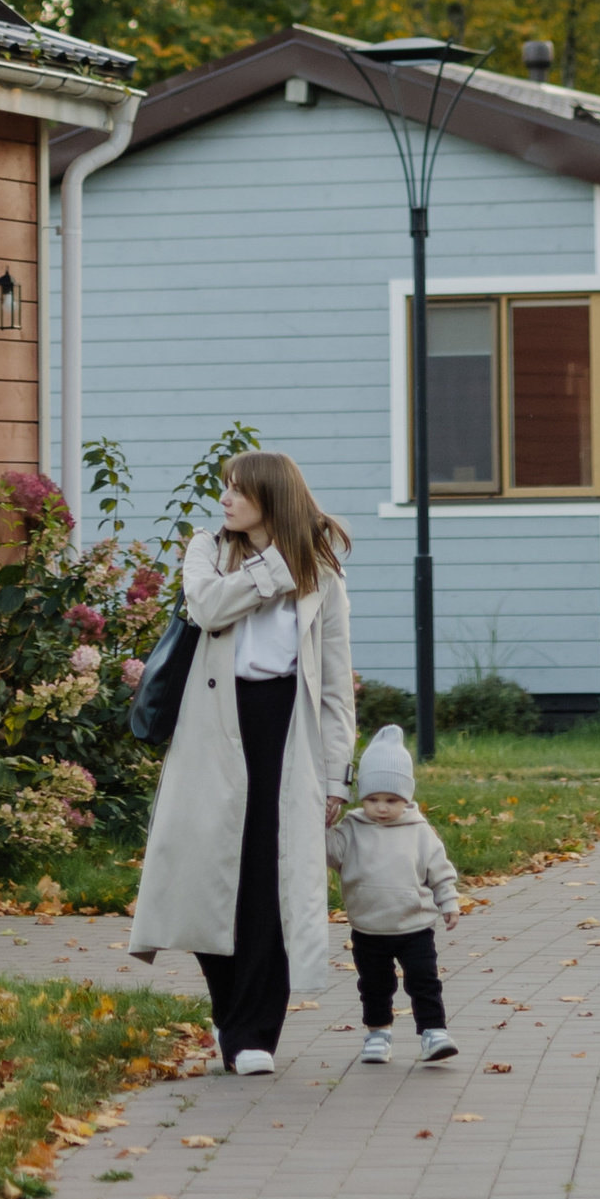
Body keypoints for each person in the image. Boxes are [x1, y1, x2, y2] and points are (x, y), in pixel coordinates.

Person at [127, 449, 354, 1075]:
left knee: (268, 884)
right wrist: (274, 572)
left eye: (237, 490)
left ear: (269, 498)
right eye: (224, 488)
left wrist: (338, 775)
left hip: (287, 733)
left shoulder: (322, 577)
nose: (224, 500)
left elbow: (333, 687)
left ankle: (255, 1032)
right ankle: (229, 1009)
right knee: (208, 879)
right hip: (213, 730)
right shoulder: (206, 549)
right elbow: (206, 607)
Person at [326, 724, 461, 1065]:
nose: (381, 808)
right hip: (368, 928)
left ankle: (434, 1032)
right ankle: (378, 1033)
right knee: (374, 985)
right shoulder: (352, 830)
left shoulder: (419, 832)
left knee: (424, 981)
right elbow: (328, 850)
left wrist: (449, 902)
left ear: (406, 798)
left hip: (414, 926)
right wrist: (321, 823)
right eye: (372, 799)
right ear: (362, 799)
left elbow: (439, 871)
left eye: (391, 800)